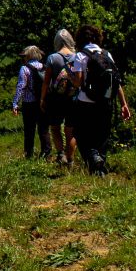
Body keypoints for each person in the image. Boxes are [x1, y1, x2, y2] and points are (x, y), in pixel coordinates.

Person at [69, 25, 131, 176]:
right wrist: (124, 104)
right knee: (102, 136)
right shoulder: (107, 55)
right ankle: (100, 169)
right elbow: (116, 81)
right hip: (106, 102)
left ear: (79, 39)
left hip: (86, 102)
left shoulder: (80, 56)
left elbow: (78, 82)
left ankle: (93, 157)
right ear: (97, 38)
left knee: (82, 134)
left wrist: (70, 73)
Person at [40, 28, 78, 167]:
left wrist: (42, 99)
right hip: (73, 98)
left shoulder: (52, 57)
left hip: (56, 99)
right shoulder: (77, 57)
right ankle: (71, 160)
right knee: (71, 131)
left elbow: (46, 81)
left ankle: (61, 154)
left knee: (55, 127)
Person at [11, 45, 51, 159]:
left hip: (29, 103)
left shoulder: (24, 68)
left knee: (29, 130)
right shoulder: (45, 67)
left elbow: (21, 87)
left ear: (27, 56)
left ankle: (29, 154)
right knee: (44, 129)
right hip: (43, 102)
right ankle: (46, 153)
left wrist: (15, 103)